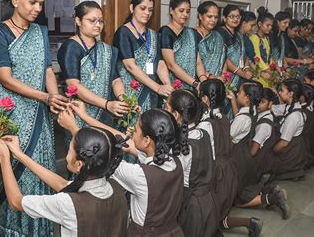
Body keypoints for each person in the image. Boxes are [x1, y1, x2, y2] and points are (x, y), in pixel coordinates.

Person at [0, 0, 67, 235]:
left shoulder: (40, 32)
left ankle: (41, 229)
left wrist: (55, 99)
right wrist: (45, 97)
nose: (37, 8)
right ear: (15, 0)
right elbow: (5, 77)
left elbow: (47, 71)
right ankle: (17, 230)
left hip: (39, 113)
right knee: (19, 170)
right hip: (13, 114)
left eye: (41, 4)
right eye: (32, 2)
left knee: (41, 167)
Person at [0, 127, 128, 237]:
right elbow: (62, 184)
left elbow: (15, 201)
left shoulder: (68, 203)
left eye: (70, 149)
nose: (67, 154)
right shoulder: (115, 187)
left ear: (78, 164)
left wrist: (4, 158)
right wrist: (20, 154)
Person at [70, 106, 187, 236]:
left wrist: (74, 129)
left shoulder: (139, 176)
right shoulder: (175, 160)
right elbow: (125, 141)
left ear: (146, 140)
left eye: (136, 130)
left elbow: (99, 157)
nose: (131, 133)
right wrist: (86, 117)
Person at [197, 79, 263, 237]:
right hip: (228, 170)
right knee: (217, 214)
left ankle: (253, 219)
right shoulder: (224, 119)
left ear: (205, 98)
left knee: (211, 217)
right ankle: (250, 223)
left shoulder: (205, 125)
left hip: (218, 173)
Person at [59, 0, 128, 128]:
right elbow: (74, 85)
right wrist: (107, 104)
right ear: (78, 21)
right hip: (80, 114)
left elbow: (116, 80)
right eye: (92, 20)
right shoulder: (70, 47)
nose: (98, 25)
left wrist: (122, 99)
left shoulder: (105, 49)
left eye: (101, 21)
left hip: (105, 113)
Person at [228, 82, 290, 219]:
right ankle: (270, 191)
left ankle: (274, 198)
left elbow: (231, 133)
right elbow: (240, 118)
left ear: (247, 98)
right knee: (244, 188)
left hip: (238, 157)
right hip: (244, 155)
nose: (237, 94)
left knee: (239, 200)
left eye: (239, 92)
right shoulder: (253, 111)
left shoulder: (244, 117)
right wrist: (233, 100)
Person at [164, 89, 220, 236]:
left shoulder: (184, 145)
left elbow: (171, 176)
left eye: (166, 108)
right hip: (210, 199)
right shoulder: (204, 133)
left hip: (192, 206)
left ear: (176, 115)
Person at [113, 0, 172, 119]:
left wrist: (167, 86)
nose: (147, 13)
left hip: (152, 93)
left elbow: (160, 63)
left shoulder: (154, 35)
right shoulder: (123, 32)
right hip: (131, 93)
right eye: (143, 8)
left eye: (150, 10)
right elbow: (130, 66)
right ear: (131, 8)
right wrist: (158, 88)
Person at [160, 0, 207, 91]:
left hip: (192, 87)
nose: (185, 14)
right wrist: (195, 83)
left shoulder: (192, 33)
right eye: (181, 11)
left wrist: (204, 82)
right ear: (171, 10)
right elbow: (171, 65)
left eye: (188, 11)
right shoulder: (165, 32)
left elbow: (198, 62)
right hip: (172, 87)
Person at [272, 79, 308, 180]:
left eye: (282, 91)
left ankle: (291, 170)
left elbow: (283, 143)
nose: (279, 93)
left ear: (291, 93)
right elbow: (275, 109)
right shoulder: (289, 107)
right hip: (289, 147)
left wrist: (272, 151)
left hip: (290, 152)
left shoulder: (294, 116)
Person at [251, 88, 280, 177]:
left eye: (262, 102)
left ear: (270, 104)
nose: (258, 105)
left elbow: (253, 152)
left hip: (258, 162)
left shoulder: (263, 125)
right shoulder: (266, 115)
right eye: (257, 101)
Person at [194, 1, 226, 77]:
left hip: (217, 82)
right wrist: (209, 76)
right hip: (196, 82)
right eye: (209, 16)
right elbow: (189, 62)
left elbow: (223, 59)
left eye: (216, 17)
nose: (213, 20)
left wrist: (223, 76)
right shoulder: (191, 35)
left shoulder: (218, 36)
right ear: (200, 16)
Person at [249, 7, 275, 87]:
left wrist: (273, 67)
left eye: (271, 26)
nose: (270, 28)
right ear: (260, 24)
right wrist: (268, 70)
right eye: (267, 25)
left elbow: (268, 56)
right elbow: (257, 57)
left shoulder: (266, 38)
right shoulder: (254, 37)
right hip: (259, 73)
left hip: (267, 73)